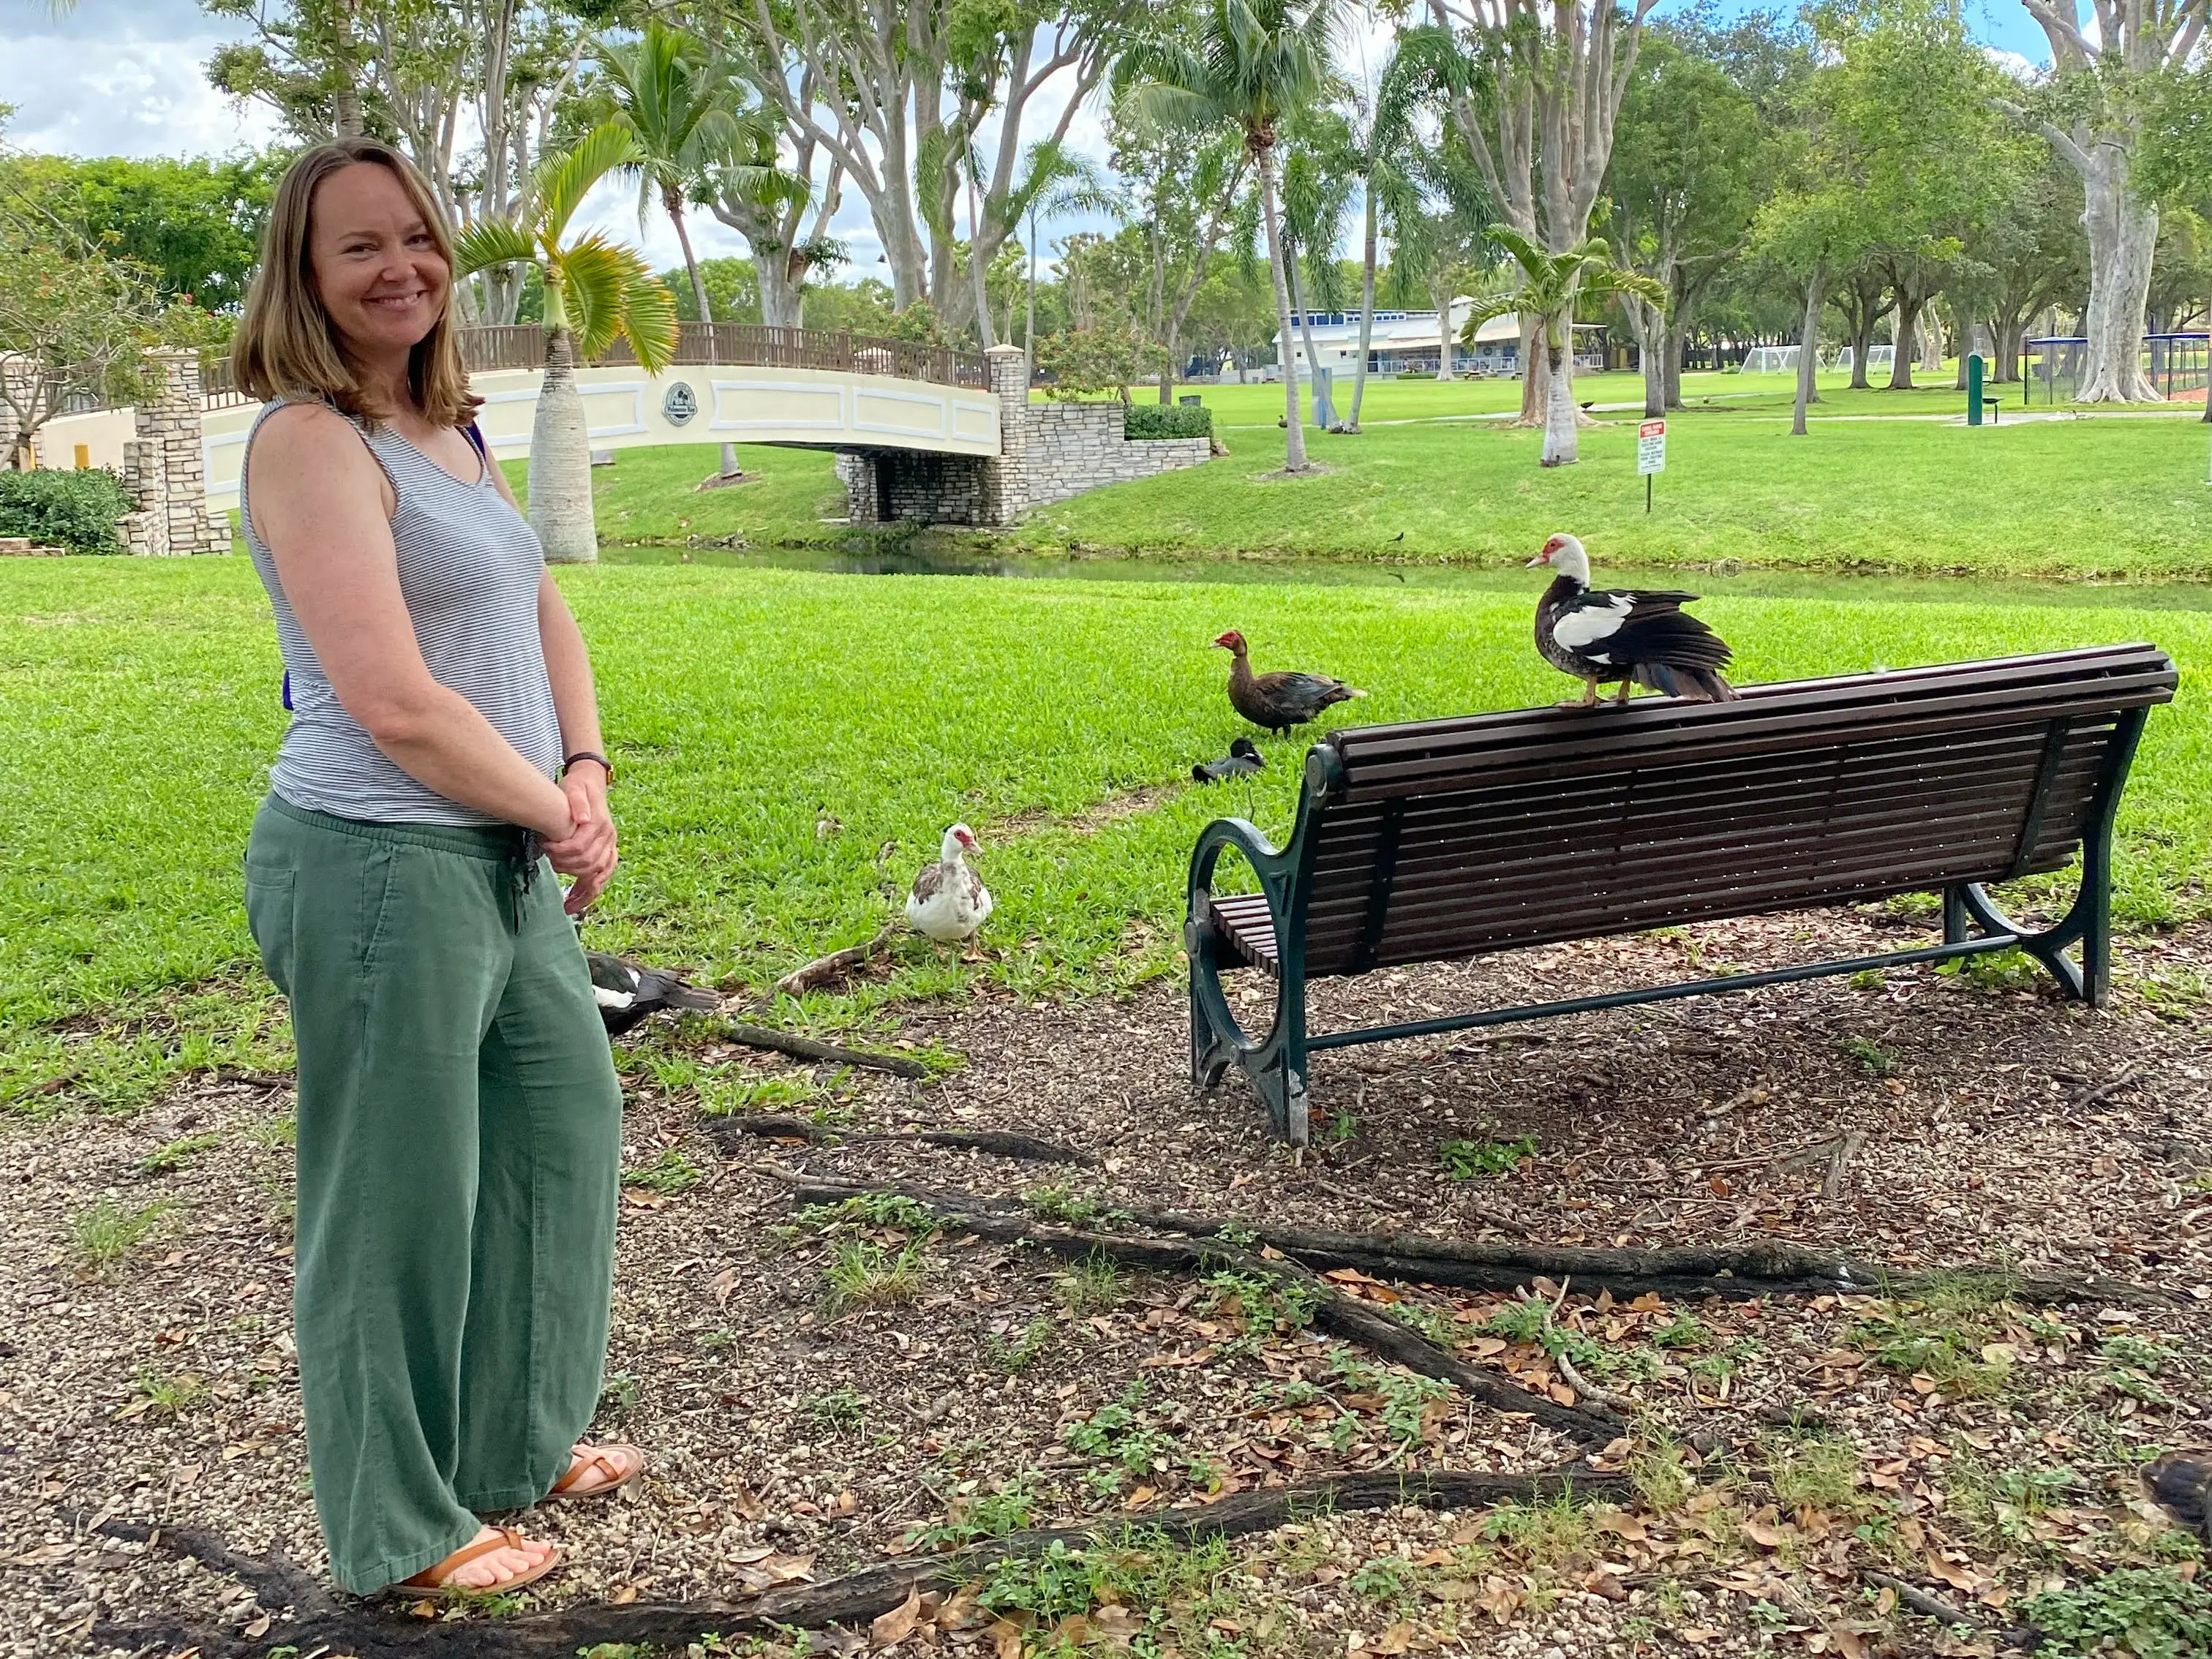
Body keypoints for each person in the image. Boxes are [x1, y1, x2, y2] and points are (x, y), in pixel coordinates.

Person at [231, 137, 642, 1598]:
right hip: (377, 866)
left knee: (557, 1136)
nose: (399, 266)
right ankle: (400, 1530)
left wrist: (581, 776)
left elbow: (541, 612)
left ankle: (511, 1450)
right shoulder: (308, 442)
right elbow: (390, 701)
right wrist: (552, 809)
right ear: (305, 273)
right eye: (359, 247)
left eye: (417, 237)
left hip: (504, 847)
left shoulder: (447, 427)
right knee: (393, 1201)